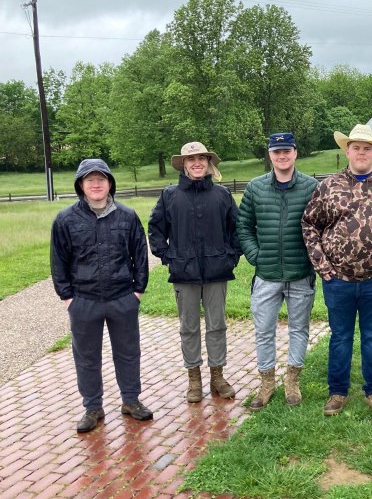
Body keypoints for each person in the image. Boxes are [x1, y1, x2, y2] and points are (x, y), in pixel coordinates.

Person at [302, 124, 372, 416]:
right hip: (337, 280)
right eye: (356, 147)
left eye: (367, 148)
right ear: (347, 151)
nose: (362, 152)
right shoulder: (328, 186)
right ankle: (337, 393)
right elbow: (309, 225)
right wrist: (322, 265)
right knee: (340, 337)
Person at [51, 158, 152, 433]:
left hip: (122, 298)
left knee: (129, 353)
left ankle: (131, 401)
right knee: (86, 357)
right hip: (84, 300)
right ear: (81, 185)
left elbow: (140, 256)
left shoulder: (127, 216)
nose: (96, 184)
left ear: (110, 183)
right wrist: (68, 298)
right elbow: (58, 261)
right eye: (89, 180)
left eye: (101, 179)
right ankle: (92, 407)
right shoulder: (65, 219)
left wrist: (137, 292)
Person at [148, 141, 240, 403]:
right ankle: (194, 378)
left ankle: (217, 375)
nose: (197, 163)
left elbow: (237, 228)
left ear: (208, 163)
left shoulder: (222, 195)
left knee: (217, 326)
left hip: (216, 272)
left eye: (201, 158)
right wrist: (167, 257)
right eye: (191, 159)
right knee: (188, 328)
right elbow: (155, 228)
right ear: (184, 165)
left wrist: (231, 257)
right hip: (184, 273)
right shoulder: (170, 195)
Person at [237, 132, 318, 410]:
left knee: (299, 329)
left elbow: (321, 227)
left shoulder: (311, 187)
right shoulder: (256, 188)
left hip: (300, 274)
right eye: (276, 152)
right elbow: (243, 226)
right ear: (269, 155)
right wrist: (255, 256)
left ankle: (292, 381)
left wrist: (312, 258)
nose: (282, 156)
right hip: (266, 275)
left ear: (295, 152)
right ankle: (267, 382)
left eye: (287, 151)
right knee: (263, 330)